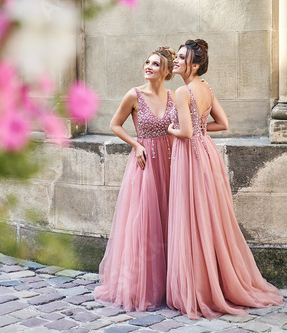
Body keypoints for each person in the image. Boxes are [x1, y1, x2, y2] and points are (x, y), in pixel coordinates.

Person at [166, 39, 284, 319]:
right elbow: (224, 123)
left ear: (194, 64)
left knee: (192, 219)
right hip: (206, 152)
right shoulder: (206, 88)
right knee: (210, 218)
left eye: (182, 58)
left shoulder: (183, 91)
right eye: (178, 57)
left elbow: (183, 132)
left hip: (189, 155)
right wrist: (199, 128)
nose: (177, 61)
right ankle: (214, 281)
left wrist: (171, 128)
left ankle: (198, 289)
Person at [93, 47, 176, 311]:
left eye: (155, 64)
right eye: (147, 62)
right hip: (146, 165)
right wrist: (136, 145)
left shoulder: (173, 96)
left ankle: (170, 284)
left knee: (169, 220)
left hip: (171, 162)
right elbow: (115, 124)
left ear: (166, 71)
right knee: (144, 223)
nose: (148, 66)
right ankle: (143, 286)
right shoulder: (134, 94)